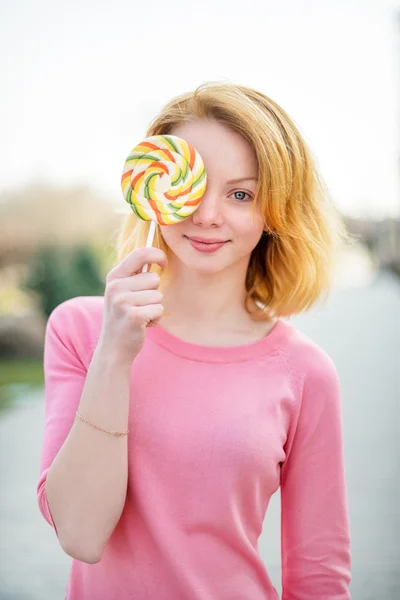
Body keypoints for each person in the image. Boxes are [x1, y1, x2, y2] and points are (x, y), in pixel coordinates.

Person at [37, 81, 352, 599]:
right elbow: (81, 533)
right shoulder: (80, 331)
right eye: (192, 185)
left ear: (275, 211)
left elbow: (320, 579)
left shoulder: (304, 373)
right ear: (153, 185)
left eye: (241, 193)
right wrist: (114, 354)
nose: (207, 214)